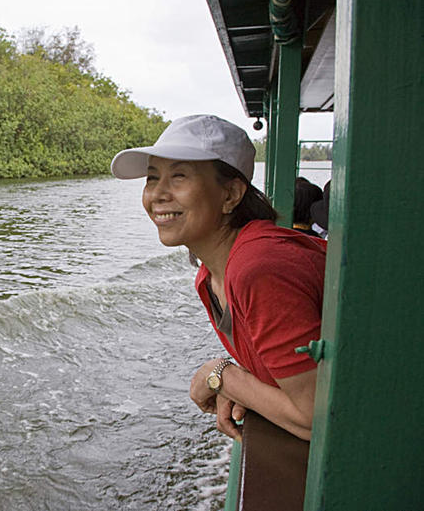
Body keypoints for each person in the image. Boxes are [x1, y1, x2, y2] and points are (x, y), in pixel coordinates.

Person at [111, 114, 326, 442]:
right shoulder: (210, 275)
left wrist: (222, 377)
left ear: (231, 195)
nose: (158, 194)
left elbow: (318, 417)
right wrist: (242, 385)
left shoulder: (259, 268)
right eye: (153, 178)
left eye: (179, 176)